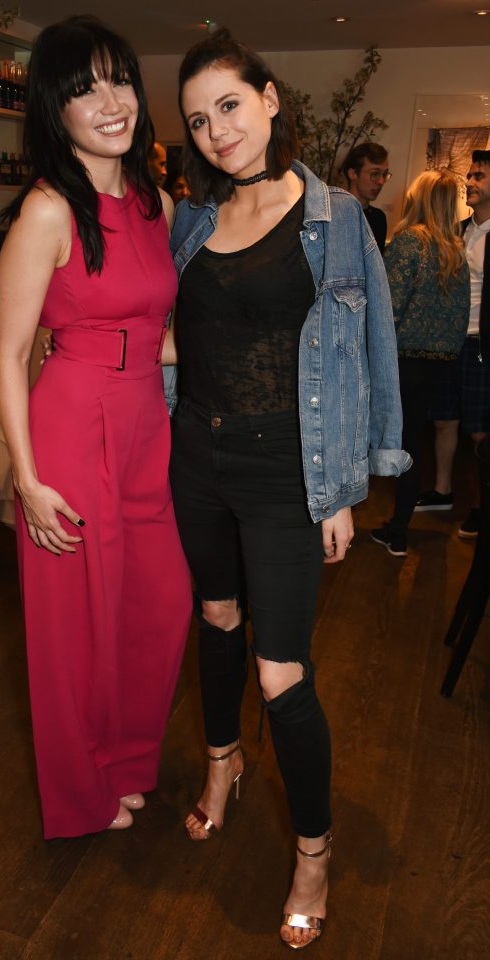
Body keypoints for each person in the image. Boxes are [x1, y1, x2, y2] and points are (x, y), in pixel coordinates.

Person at [163, 29, 410, 949]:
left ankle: (313, 849)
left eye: (228, 104)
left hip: (288, 473)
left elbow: (372, 347)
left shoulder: (338, 216)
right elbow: (188, 336)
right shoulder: (192, 221)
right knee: (219, 622)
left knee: (282, 673)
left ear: (269, 99)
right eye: (197, 119)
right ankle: (221, 768)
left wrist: (349, 485)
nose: (216, 129)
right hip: (197, 459)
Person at [0, 15, 191, 840]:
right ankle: (82, 789)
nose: (108, 103)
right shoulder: (46, 210)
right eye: (83, 90)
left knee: (157, 602)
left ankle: (124, 759)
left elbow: (162, 321)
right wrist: (28, 478)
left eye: (117, 81)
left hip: (148, 414)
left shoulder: (157, 202)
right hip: (74, 420)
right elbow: (8, 353)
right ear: (56, 110)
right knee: (75, 622)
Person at [370, 169, 470, 557]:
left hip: (403, 361)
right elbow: (460, 315)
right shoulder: (455, 248)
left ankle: (396, 531)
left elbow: (387, 308)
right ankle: (398, 526)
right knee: (412, 444)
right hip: (440, 364)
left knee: (394, 443)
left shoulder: (410, 242)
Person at [415, 150, 490, 539]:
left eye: (479, 176)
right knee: (444, 420)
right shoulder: (456, 231)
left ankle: (481, 506)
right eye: (470, 176)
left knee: (480, 432)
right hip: (448, 343)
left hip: (482, 345)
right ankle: (441, 491)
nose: (470, 183)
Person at [341, 141, 391, 254]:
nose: (381, 181)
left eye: (384, 174)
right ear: (353, 173)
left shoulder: (379, 218)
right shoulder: (334, 214)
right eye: (375, 174)